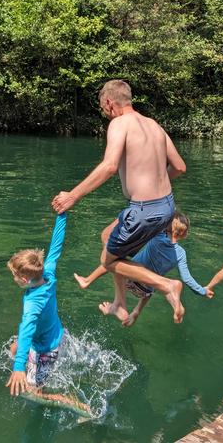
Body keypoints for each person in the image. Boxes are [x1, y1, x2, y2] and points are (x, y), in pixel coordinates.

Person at [51, 80, 187, 323]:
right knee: (107, 237)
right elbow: (179, 167)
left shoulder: (119, 123)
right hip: (167, 207)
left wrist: (72, 196)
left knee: (107, 260)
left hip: (144, 210)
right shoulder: (154, 125)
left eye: (103, 108)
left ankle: (167, 285)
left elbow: (110, 166)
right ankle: (120, 303)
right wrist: (154, 182)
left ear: (108, 103)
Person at [5, 212, 90, 414]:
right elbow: (56, 247)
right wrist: (62, 214)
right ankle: (23, 362)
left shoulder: (32, 305)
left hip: (45, 349)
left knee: (32, 392)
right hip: (55, 332)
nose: (13, 277)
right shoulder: (47, 273)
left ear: (24, 280)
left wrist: (18, 368)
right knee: (14, 348)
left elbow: (26, 331)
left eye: (14, 275)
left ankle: (78, 406)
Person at [74, 211, 208, 326]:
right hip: (144, 291)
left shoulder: (158, 236)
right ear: (184, 235)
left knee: (115, 260)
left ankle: (88, 280)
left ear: (167, 226)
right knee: (156, 284)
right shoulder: (181, 253)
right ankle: (141, 310)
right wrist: (202, 291)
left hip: (130, 279)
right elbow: (187, 278)